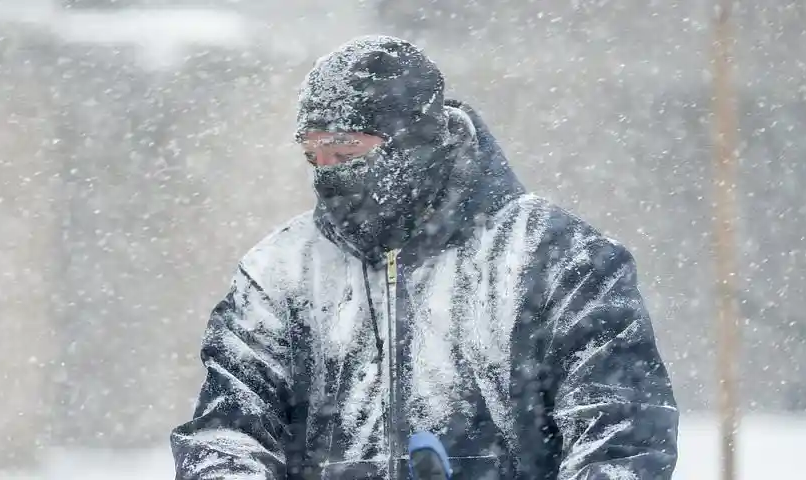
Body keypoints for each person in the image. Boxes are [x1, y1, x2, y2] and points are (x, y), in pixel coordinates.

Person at [171, 35, 679, 480]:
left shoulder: (554, 257)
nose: (327, 173)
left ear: (414, 143)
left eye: (347, 154)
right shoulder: (279, 272)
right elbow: (228, 432)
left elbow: (622, 435)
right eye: (313, 155)